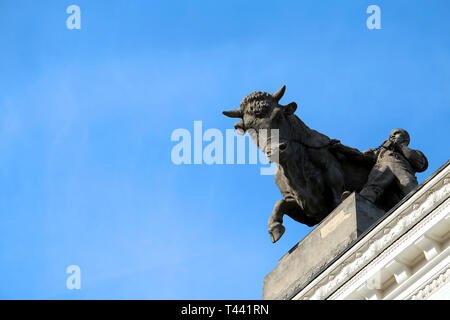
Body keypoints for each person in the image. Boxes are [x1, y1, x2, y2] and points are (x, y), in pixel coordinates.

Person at [359, 128, 428, 203]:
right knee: (373, 185)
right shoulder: (381, 151)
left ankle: (422, 203)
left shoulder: (413, 152)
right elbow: (361, 155)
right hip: (383, 168)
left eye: (396, 133)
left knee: (409, 186)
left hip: (403, 173)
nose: (392, 136)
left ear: (405, 139)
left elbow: (421, 164)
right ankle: (361, 202)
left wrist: (400, 146)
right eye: (391, 135)